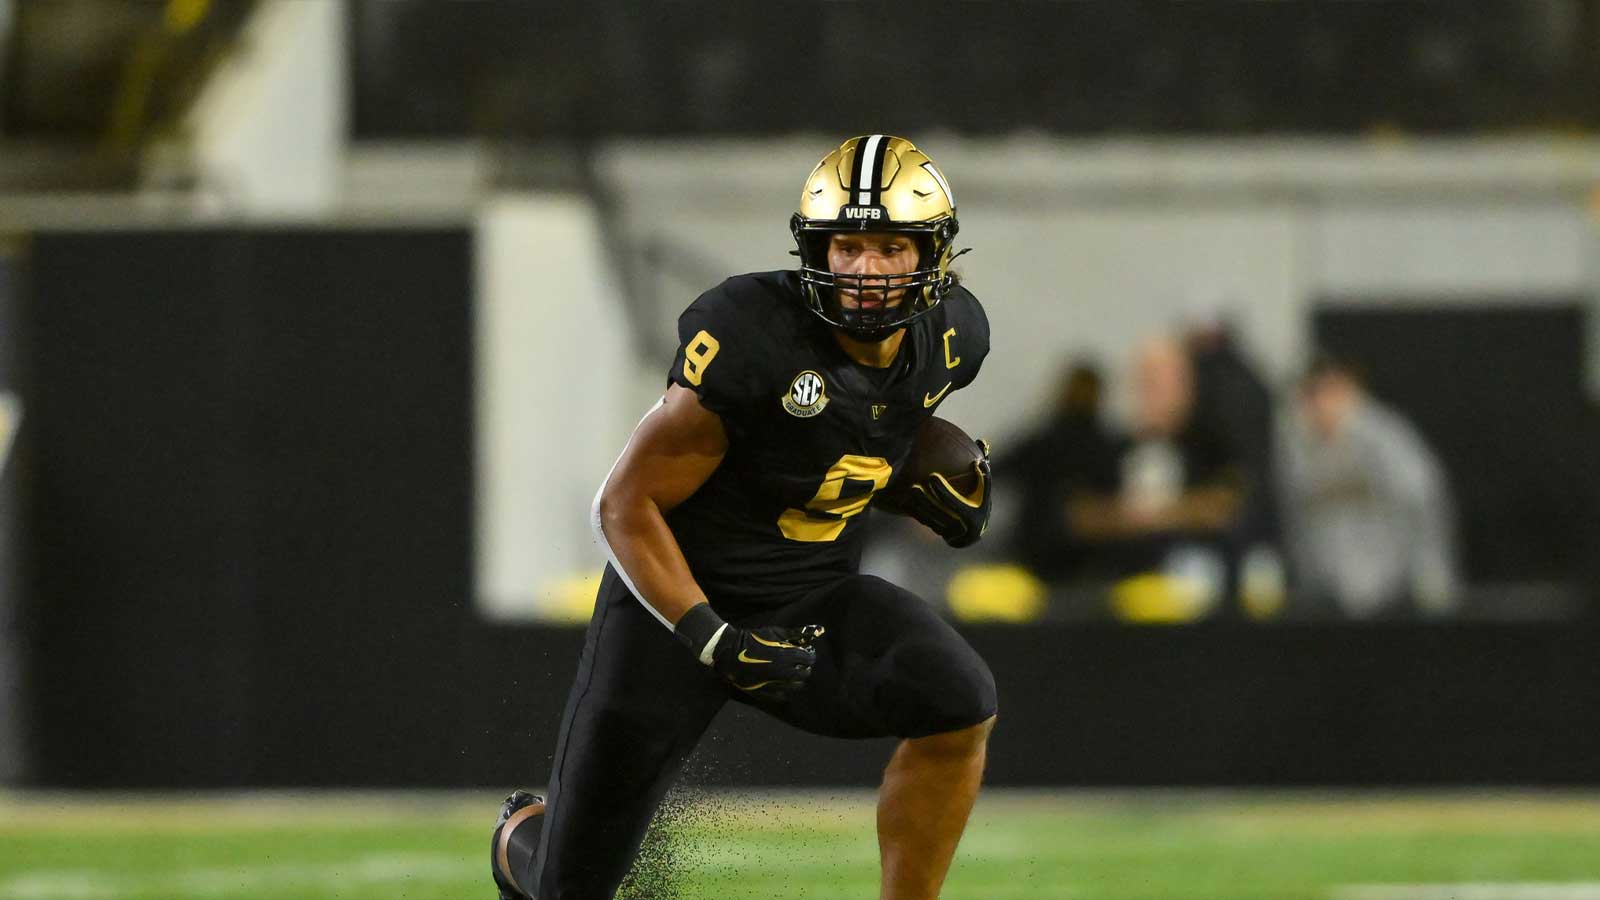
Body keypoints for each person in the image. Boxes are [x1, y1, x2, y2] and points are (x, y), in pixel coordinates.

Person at [490, 135, 996, 900]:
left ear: (933, 255)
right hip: (675, 613)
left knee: (960, 701)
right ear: (813, 250)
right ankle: (518, 838)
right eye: (847, 246)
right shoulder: (752, 335)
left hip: (812, 598)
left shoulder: (953, 339)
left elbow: (855, 431)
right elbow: (624, 503)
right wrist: (710, 636)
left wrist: (921, 482)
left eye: (891, 247)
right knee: (568, 888)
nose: (866, 270)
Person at [1278, 354, 1459, 619]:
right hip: (1332, 596)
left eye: (1326, 392)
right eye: (1310, 395)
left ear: (1347, 389)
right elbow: (1297, 521)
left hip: (1398, 593)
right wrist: (1309, 584)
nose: (1319, 404)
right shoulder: (1298, 448)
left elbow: (1423, 500)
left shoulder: (1382, 434)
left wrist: (1432, 575)